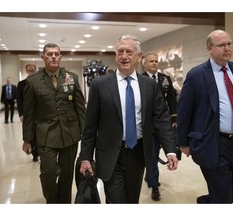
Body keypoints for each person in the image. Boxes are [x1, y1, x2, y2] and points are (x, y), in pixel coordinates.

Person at [79, 34, 179, 204]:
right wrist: (85, 157)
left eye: (129, 52)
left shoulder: (149, 85)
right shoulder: (100, 85)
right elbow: (90, 125)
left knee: (132, 200)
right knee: (116, 201)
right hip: (110, 154)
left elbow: (162, 118)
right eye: (120, 52)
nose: (124, 56)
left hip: (138, 153)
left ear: (139, 57)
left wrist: (170, 149)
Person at [177, 29, 233, 204]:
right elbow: (184, 111)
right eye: (222, 45)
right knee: (222, 194)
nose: (227, 48)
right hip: (212, 143)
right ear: (209, 48)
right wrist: (183, 143)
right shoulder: (197, 75)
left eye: (229, 44)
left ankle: (208, 203)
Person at [22, 43, 86, 203]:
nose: (53, 57)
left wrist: (87, 135)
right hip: (46, 134)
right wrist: (27, 139)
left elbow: (80, 108)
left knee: (66, 174)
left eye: (56, 54)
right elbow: (29, 113)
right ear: (43, 57)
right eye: (49, 54)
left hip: (70, 134)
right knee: (49, 173)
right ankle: (51, 200)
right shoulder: (33, 81)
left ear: (60, 57)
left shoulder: (71, 78)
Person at [142, 53, 179, 201]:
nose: (154, 63)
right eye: (151, 61)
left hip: (163, 123)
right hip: (148, 125)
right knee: (151, 155)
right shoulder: (140, 79)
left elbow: (171, 98)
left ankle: (150, 176)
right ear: (144, 63)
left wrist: (174, 117)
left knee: (166, 151)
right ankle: (154, 185)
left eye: (156, 61)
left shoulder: (165, 79)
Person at [17, 64, 39, 162]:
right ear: (26, 71)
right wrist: (21, 114)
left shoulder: (39, 83)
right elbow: (19, 100)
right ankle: (34, 154)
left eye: (33, 70)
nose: (31, 72)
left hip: (39, 113)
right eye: (29, 71)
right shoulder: (21, 84)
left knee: (40, 133)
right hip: (27, 114)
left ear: (36, 71)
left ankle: (40, 152)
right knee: (31, 134)